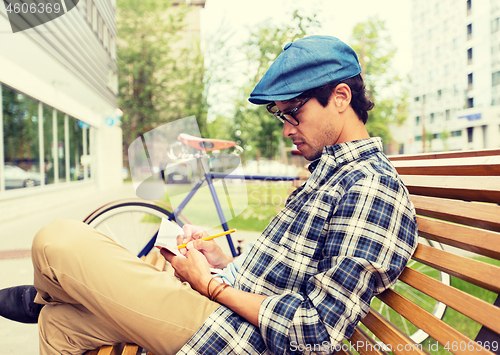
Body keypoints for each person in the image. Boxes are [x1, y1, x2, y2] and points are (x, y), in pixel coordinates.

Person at [0, 35, 418, 355]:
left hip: (233, 331)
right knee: (58, 324)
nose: (288, 128)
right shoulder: (329, 174)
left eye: (294, 112)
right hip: (219, 303)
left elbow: (317, 331)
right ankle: (52, 298)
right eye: (281, 117)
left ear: (341, 98)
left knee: (57, 241)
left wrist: (212, 286)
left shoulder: (370, 188)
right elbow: (284, 276)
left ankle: (47, 291)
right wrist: (224, 262)